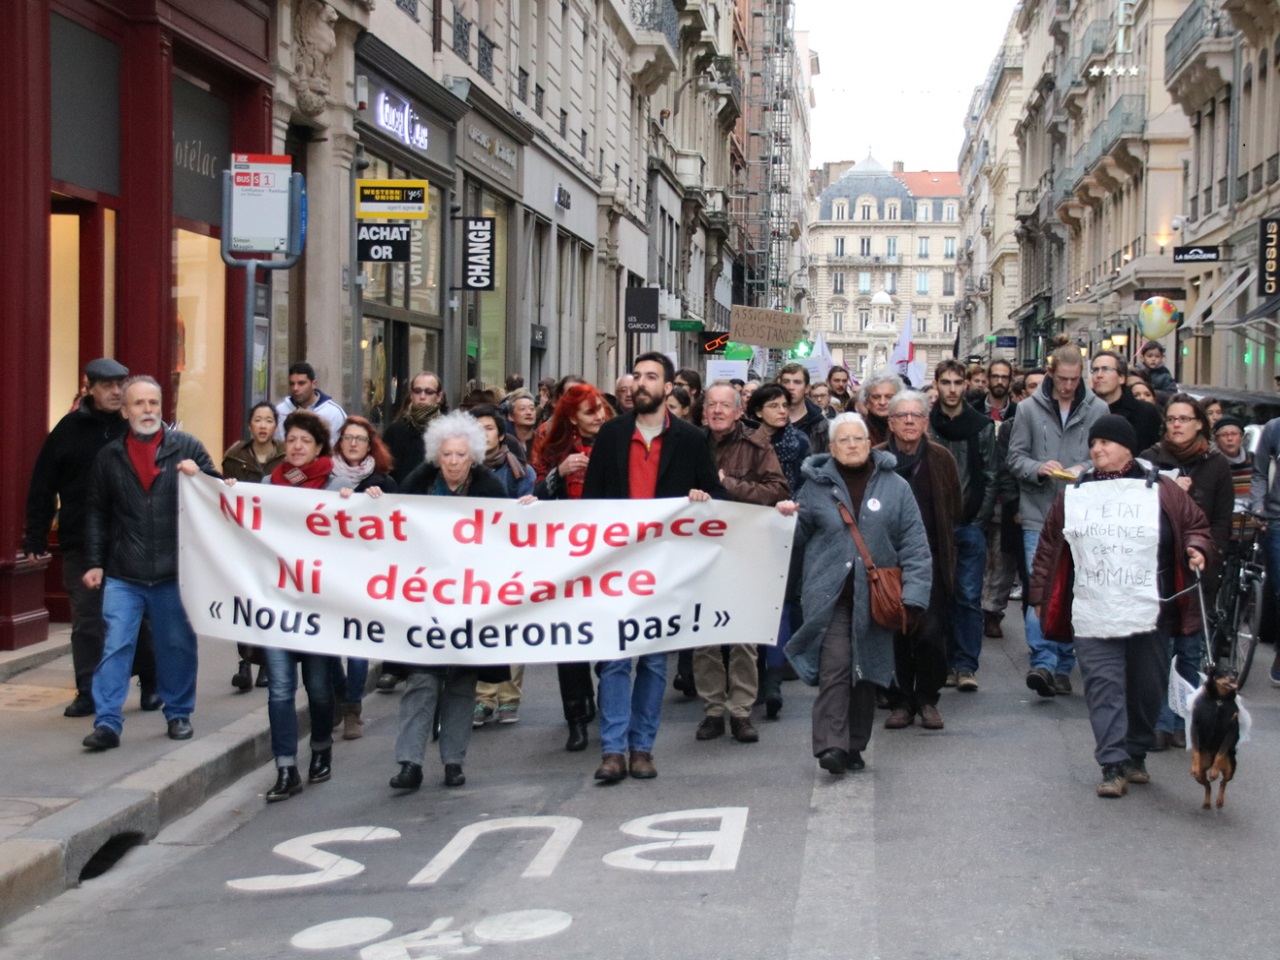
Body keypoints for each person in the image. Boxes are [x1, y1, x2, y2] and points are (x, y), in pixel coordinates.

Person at [1030, 415, 1212, 797]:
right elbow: (1050, 546)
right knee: (1103, 684)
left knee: (1147, 684)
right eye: (1094, 443)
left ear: (1128, 447)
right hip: (1095, 606)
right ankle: (1112, 764)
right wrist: (1039, 595)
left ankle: (1136, 752)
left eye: (1106, 443)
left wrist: (1197, 548)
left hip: (1149, 605)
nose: (1097, 450)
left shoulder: (1160, 489)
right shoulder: (1076, 493)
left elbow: (1195, 524)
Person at [581, 352, 726, 782]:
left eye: (651, 377)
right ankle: (612, 751)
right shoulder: (610, 436)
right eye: (637, 376)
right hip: (617, 565)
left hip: (666, 568)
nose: (641, 383)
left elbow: (714, 494)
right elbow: (591, 503)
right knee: (614, 660)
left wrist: (704, 499)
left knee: (654, 662)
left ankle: (642, 748)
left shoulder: (691, 439)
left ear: (668, 388)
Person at [782, 413, 931, 774]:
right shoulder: (816, 486)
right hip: (829, 598)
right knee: (836, 667)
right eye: (843, 440)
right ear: (831, 448)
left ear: (869, 443)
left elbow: (914, 544)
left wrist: (914, 595)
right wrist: (786, 517)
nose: (851, 445)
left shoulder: (895, 486)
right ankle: (831, 744)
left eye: (857, 439)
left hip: (877, 598)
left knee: (866, 670)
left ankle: (854, 743)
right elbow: (796, 536)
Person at [80, 376, 220, 750]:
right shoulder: (109, 456)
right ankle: (107, 722)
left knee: (176, 645)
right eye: (139, 404)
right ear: (124, 411)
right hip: (124, 572)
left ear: (162, 408)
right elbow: (95, 513)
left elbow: (222, 496)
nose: (147, 411)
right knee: (115, 646)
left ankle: (178, 714)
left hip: (175, 572)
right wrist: (94, 561)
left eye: (153, 404)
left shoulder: (186, 446)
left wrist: (202, 477)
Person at [24, 358, 159, 718]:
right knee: (87, 620)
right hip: (81, 540)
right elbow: (43, 484)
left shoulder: (136, 427)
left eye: (120, 384)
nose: (116, 392)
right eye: (107, 385)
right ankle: (87, 689)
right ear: (89, 387)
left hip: (130, 537)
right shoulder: (68, 430)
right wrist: (35, 537)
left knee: (140, 614)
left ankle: (150, 681)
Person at [388, 412, 514, 790]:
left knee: (461, 682)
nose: (454, 462)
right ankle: (409, 761)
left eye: (461, 455)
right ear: (436, 456)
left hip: (470, 605)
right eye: (447, 455)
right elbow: (391, 529)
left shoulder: (491, 491)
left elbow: (507, 541)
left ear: (472, 456)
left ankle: (453, 761)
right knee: (421, 681)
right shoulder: (417, 487)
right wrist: (375, 500)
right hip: (424, 603)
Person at [1007, 342, 1105, 697]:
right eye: (1062, 379)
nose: (1068, 386)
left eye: (1074, 380)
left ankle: (1064, 663)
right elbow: (1015, 458)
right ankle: (1044, 661)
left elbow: (1109, 458)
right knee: (1040, 587)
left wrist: (1087, 468)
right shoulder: (1029, 410)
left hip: (1082, 513)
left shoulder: (1098, 408)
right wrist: (1038, 468)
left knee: (1076, 587)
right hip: (1039, 511)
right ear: (1051, 374)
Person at [1139, 394, 1234, 751]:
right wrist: (1167, 492)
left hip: (1197, 570)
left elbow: (1222, 520)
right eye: (1172, 419)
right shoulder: (1150, 459)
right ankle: (1161, 721)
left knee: (1189, 651)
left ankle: (1184, 721)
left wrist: (1210, 552)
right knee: (1160, 648)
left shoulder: (1215, 465)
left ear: (1199, 424)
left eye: (1185, 418)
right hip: (1160, 570)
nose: (1177, 424)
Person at [695, 384, 790, 743]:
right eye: (712, 405)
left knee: (743, 637)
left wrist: (729, 485)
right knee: (704, 635)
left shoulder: (757, 446)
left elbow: (778, 491)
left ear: (738, 412)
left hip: (744, 550)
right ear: (704, 411)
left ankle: (740, 710)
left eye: (725, 405)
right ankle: (712, 710)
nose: (718, 411)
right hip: (699, 551)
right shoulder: (691, 443)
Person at [254, 410, 341, 799]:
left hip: (319, 608)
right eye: (291, 440)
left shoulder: (336, 487)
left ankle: (321, 748)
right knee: (279, 692)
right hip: (278, 605)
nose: (298, 447)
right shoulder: (266, 486)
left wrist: (362, 500)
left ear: (319, 446)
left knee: (320, 690)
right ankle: (285, 767)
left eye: (306, 441)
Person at [530, 383, 613, 750]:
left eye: (601, 410)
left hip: (610, 558)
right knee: (570, 642)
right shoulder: (553, 448)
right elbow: (533, 498)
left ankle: (610, 703)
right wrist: (559, 473)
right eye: (590, 412)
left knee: (609, 636)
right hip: (565, 561)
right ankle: (576, 716)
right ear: (573, 419)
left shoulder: (618, 443)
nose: (599, 417)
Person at [880, 390, 961, 729]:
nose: (909, 421)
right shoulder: (877, 460)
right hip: (887, 564)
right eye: (902, 416)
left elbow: (954, 507)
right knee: (893, 634)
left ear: (926, 422)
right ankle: (900, 701)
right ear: (891, 422)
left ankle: (927, 698)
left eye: (916, 415)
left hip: (930, 560)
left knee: (929, 633)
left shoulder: (942, 458)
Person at [928, 361, 997, 691]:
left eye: (958, 382)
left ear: (966, 385)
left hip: (968, 524)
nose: (952, 389)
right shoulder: (926, 424)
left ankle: (965, 664)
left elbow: (991, 475)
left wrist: (978, 519)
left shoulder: (981, 426)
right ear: (936, 384)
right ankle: (940, 662)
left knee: (968, 596)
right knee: (936, 596)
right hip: (931, 526)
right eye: (946, 382)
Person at [329, 416, 397, 740]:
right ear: (339, 443)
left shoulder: (383, 483)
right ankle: (340, 696)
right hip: (328, 575)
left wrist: (378, 502)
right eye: (347, 438)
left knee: (357, 646)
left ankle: (352, 708)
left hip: (365, 576)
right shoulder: (322, 478)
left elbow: (398, 525)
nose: (353, 443)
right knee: (326, 646)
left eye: (360, 439)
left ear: (370, 446)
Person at [222, 402, 286, 692]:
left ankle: (266, 662)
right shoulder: (235, 457)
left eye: (269, 420)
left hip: (275, 542)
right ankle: (245, 661)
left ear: (275, 426)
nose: (263, 425)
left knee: (269, 600)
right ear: (250, 425)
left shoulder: (285, 456)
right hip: (244, 541)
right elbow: (222, 491)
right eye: (258, 420)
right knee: (245, 601)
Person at [1088, 350, 1162, 453]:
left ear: (1121, 378)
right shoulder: (1084, 411)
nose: (1099, 375)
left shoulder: (1145, 413)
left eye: (1106, 369)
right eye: (1095, 370)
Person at [747, 383, 810, 496]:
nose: (782, 411)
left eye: (785, 405)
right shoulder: (747, 441)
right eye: (774, 406)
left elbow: (806, 481)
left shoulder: (799, 440)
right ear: (759, 412)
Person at [383, 371, 445, 484]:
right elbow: (385, 469)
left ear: (439, 396)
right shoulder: (395, 431)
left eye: (429, 392)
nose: (422, 396)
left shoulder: (449, 430)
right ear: (411, 395)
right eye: (417, 391)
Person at [274, 362, 347, 445]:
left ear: (314, 384)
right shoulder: (280, 411)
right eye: (292, 384)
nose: (295, 388)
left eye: (301, 383)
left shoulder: (334, 413)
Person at [776, 362, 829, 452]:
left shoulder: (822, 425)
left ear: (807, 388)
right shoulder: (769, 421)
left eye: (797, 382)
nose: (791, 387)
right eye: (786, 382)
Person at [1213, 415, 1253, 504]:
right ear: (1216, 439)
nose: (1230, 439)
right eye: (1224, 435)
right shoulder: (1211, 464)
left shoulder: (1254, 460)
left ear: (1241, 437)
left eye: (1234, 434)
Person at [858, 370, 903, 446]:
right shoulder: (857, 429)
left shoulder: (908, 428)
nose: (882, 402)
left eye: (889, 397)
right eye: (876, 397)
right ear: (866, 402)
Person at [506, 389, 539, 461]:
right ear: (511, 416)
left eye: (532, 409)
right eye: (522, 409)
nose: (528, 412)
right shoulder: (506, 444)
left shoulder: (542, 441)